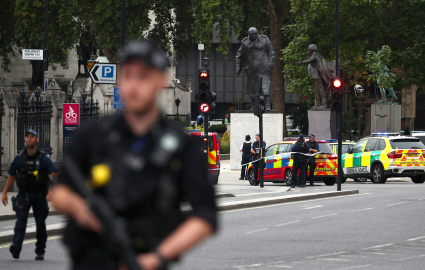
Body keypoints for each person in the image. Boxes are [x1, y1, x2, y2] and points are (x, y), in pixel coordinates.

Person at [50, 40, 217, 270]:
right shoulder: (93, 136)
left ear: (161, 81)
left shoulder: (182, 147)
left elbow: (206, 217)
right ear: (120, 80)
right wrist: (77, 206)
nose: (134, 85)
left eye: (143, 77)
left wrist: (157, 257)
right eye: (128, 75)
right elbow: (59, 191)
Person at [1, 129, 58, 260]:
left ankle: (40, 250)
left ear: (37, 139)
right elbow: (11, 175)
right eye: (27, 137)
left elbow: (55, 174)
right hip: (24, 194)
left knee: (40, 224)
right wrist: (4, 193)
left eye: (32, 137)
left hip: (39, 195)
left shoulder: (43, 159)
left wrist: (54, 192)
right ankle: (16, 246)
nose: (30, 139)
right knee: (20, 221)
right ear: (25, 139)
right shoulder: (19, 158)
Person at [235, 27, 275, 110]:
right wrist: (238, 67)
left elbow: (271, 52)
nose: (253, 35)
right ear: (248, 34)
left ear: (257, 33)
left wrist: (270, 64)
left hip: (264, 68)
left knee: (266, 87)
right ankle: (254, 106)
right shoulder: (245, 42)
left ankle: (267, 106)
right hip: (251, 69)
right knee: (252, 88)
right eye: (251, 34)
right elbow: (239, 55)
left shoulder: (265, 40)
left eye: (254, 34)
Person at [296, 44, 335, 110]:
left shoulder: (315, 55)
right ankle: (318, 104)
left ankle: (323, 104)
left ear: (310, 50)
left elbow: (310, 60)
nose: (308, 51)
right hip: (318, 78)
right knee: (316, 91)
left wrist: (301, 62)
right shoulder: (317, 55)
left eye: (309, 49)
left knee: (321, 90)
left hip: (319, 78)